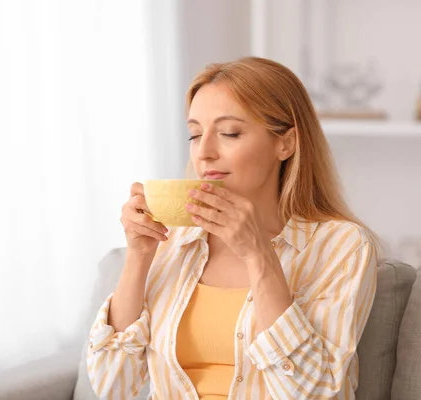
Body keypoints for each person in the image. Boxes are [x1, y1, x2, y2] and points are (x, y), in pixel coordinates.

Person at [87, 57, 378, 399]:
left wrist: (259, 255)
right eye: (195, 134)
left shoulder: (341, 246)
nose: (205, 152)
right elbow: (111, 385)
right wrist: (138, 255)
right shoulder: (175, 240)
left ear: (286, 143)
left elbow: (315, 393)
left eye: (229, 133)